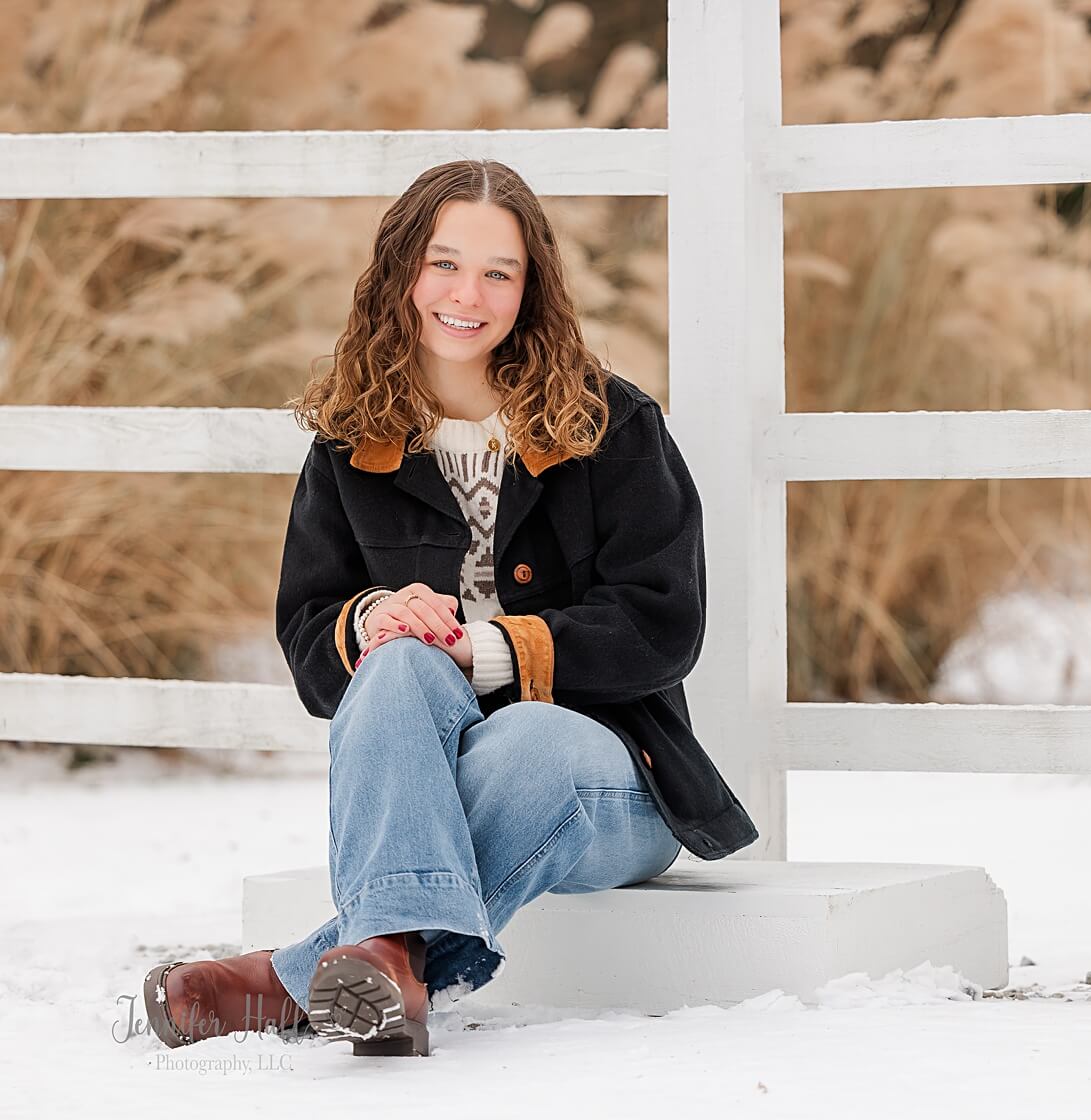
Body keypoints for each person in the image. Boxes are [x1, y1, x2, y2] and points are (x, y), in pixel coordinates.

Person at [142, 158, 759, 1058]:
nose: (468, 294)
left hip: (616, 785)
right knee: (394, 662)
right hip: (421, 768)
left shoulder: (612, 426)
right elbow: (312, 639)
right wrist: (372, 622)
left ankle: (288, 980)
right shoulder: (352, 443)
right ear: (401, 273)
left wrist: (490, 650)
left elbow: (664, 626)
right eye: (444, 264)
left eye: (498, 272)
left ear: (530, 289)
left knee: (521, 740)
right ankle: (387, 972)